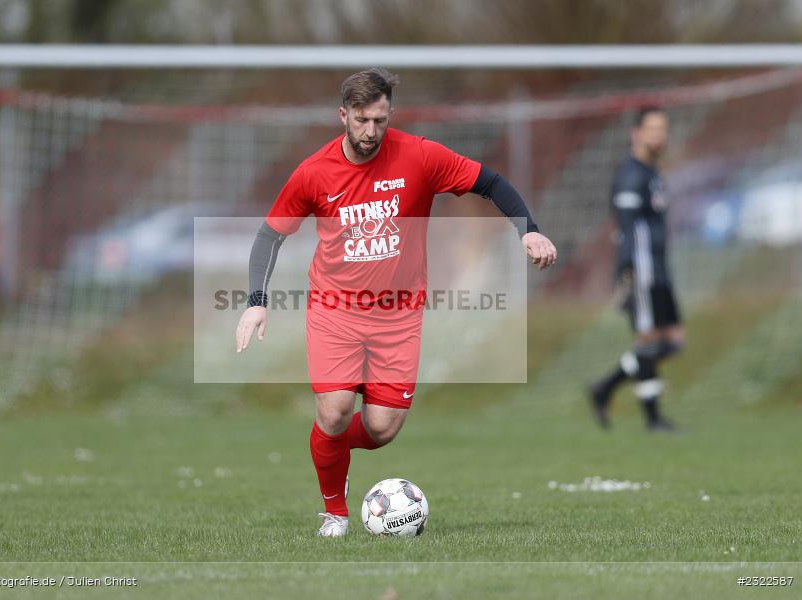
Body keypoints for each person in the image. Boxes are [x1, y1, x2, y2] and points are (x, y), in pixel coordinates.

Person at [235, 68, 556, 537]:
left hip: (398, 315)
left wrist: (528, 229)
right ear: (343, 115)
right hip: (335, 310)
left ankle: (330, 448)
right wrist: (257, 301)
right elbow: (270, 235)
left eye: (380, 121)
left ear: (390, 115)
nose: (371, 132)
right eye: (362, 120)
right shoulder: (314, 172)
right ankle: (335, 512)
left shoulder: (420, 155)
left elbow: (491, 182)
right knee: (335, 409)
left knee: (382, 428)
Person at [589, 106, 685, 432]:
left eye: (663, 128)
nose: (659, 135)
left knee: (672, 341)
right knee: (647, 342)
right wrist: (626, 276)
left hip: (659, 268)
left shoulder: (652, 172)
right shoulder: (630, 174)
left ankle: (604, 387)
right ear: (636, 134)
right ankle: (653, 419)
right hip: (641, 270)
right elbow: (627, 231)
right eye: (653, 128)